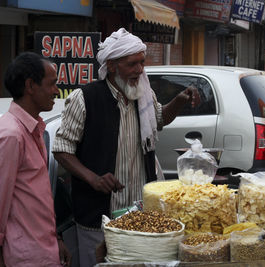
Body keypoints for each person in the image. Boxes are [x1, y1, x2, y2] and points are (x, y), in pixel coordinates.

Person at [52, 28, 200, 266]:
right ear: (112, 66)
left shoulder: (144, 94)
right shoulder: (85, 98)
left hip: (139, 212)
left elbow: (159, 118)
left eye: (142, 63)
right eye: (132, 64)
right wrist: (94, 179)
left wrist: (180, 100)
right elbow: (61, 149)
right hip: (99, 214)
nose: (140, 70)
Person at [0, 52, 70, 267]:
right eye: (51, 84)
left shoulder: (34, 128)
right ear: (30, 86)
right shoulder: (11, 135)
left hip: (43, 250)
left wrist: (56, 238)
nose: (56, 91)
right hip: (24, 256)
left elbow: (37, 199)